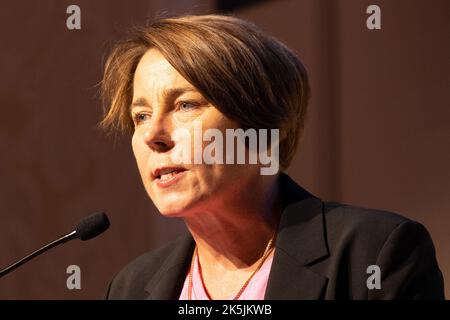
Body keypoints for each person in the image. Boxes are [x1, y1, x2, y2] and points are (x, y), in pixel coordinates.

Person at [100, 14, 444, 299]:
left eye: (185, 105)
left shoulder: (373, 254)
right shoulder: (129, 288)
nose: (152, 136)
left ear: (260, 123)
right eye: (140, 116)